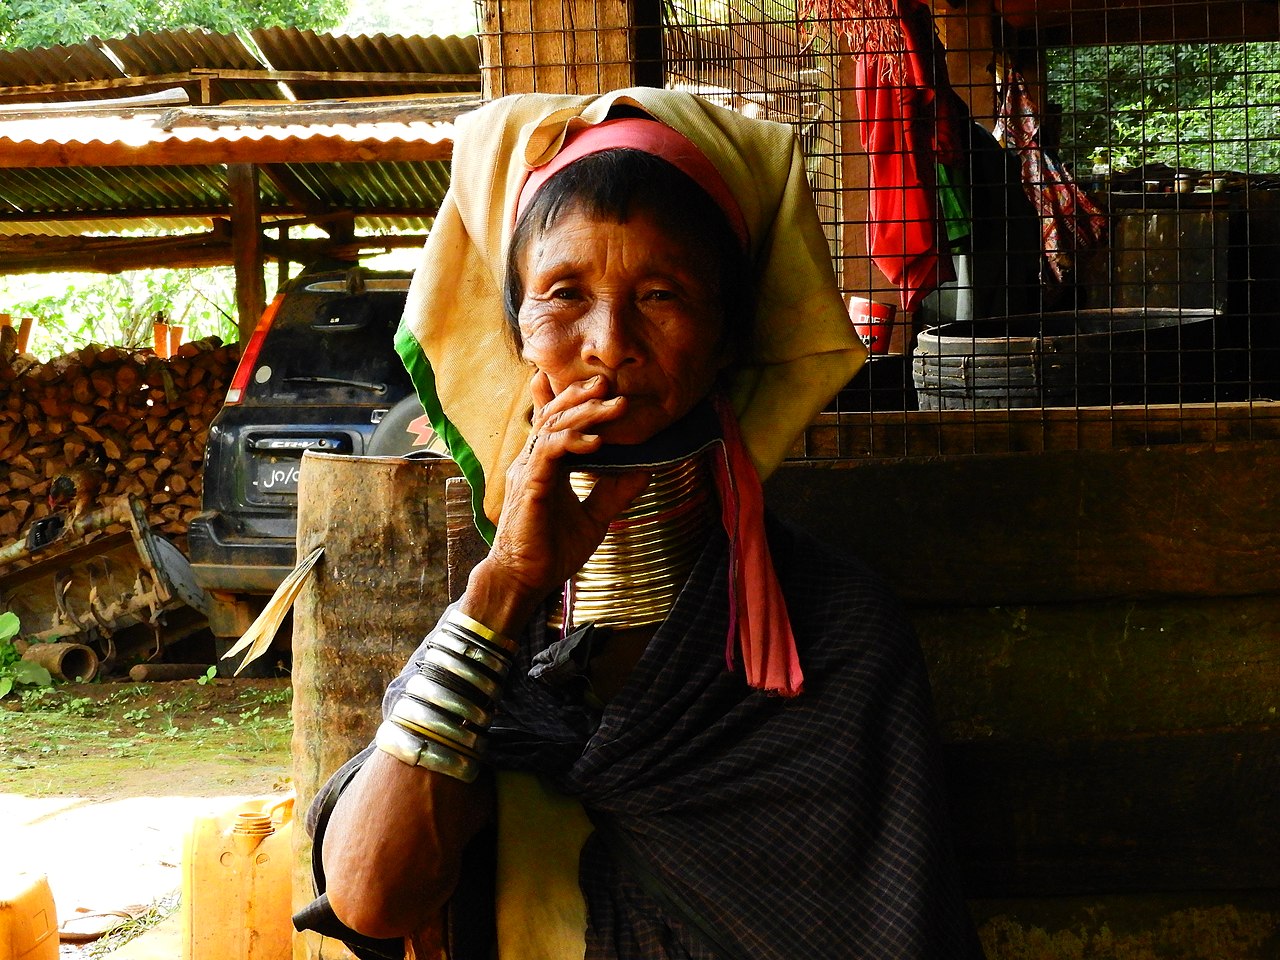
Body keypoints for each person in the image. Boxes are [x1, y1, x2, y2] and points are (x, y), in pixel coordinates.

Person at [302, 88, 984, 960]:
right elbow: (371, 898)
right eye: (563, 294)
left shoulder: (837, 630)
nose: (610, 341)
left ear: (729, 334)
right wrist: (505, 588)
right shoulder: (497, 634)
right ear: (515, 331)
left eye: (661, 294)